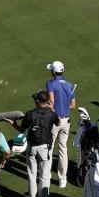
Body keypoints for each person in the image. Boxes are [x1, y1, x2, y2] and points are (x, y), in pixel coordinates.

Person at [12, 91, 56, 197]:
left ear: (37, 102)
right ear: (47, 102)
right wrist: (52, 109)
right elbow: (58, 122)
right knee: (44, 176)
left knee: (32, 175)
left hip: (32, 148)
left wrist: (14, 124)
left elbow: (22, 130)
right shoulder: (51, 114)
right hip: (45, 148)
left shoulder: (30, 114)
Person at [44, 60, 77, 188]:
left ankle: (47, 174)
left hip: (54, 120)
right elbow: (73, 105)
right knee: (63, 149)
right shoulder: (69, 85)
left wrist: (51, 109)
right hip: (66, 120)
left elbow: (51, 101)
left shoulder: (50, 83)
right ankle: (62, 179)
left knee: (49, 148)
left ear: (53, 72)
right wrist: (64, 108)